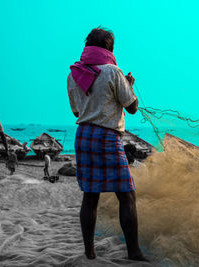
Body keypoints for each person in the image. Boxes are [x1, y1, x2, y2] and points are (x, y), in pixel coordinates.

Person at [67, 27, 147, 261]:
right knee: (126, 194)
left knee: (90, 196)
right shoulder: (113, 71)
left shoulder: (73, 74)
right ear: (110, 49)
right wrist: (128, 84)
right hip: (108, 137)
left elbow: (76, 111)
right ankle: (134, 252)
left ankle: (89, 252)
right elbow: (132, 107)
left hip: (83, 136)